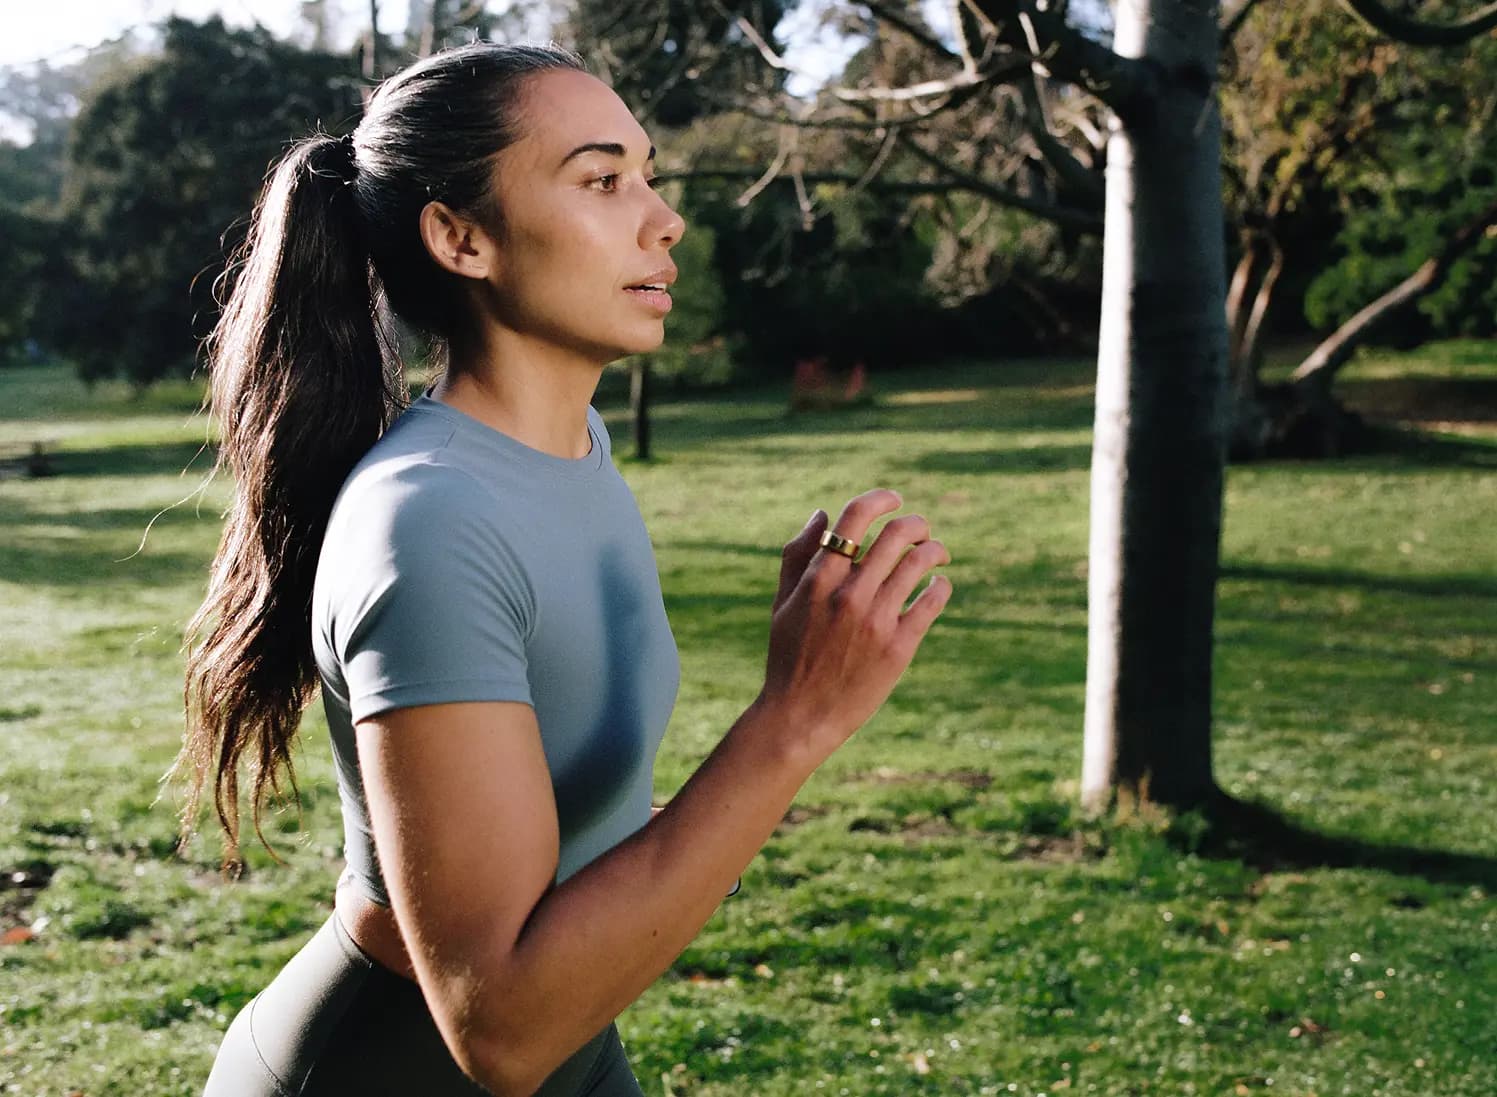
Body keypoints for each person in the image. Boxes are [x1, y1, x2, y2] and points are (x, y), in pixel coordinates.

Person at [172, 41, 952, 1097]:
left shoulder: (574, 444)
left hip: (578, 1046)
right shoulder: (429, 519)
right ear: (460, 237)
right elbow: (496, 1028)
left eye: (648, 175)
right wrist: (795, 717)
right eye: (602, 180)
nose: (664, 220)